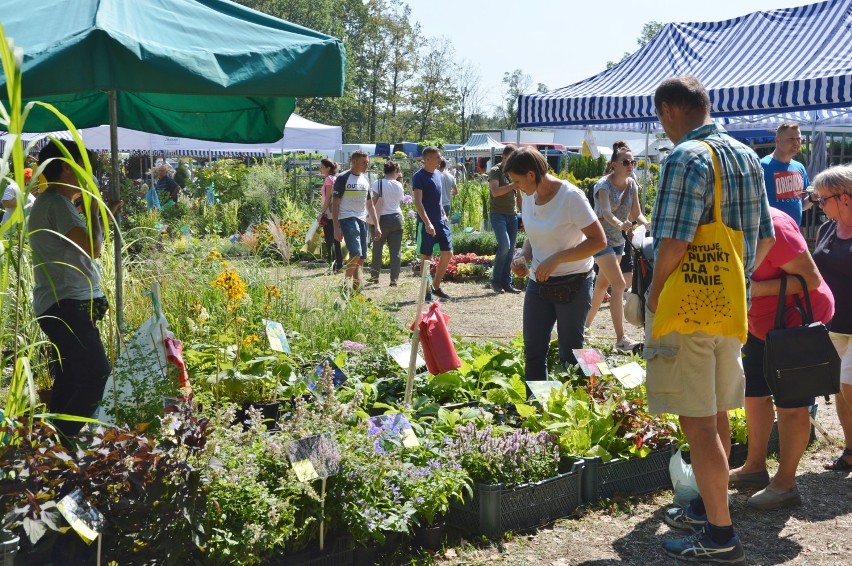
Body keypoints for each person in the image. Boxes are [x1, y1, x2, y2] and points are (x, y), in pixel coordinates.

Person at [647, 75, 774, 564]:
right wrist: (736, 285)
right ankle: (706, 508)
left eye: (661, 115)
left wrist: (656, 299)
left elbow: (674, 244)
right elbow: (764, 238)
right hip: (729, 310)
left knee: (698, 424)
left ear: (671, 110)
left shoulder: (686, 157)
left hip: (688, 309)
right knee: (716, 414)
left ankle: (721, 537)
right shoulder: (744, 154)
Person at [728, 208, 833, 509]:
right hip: (760, 323)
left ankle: (786, 484)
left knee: (792, 405)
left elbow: (811, 280)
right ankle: (754, 468)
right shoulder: (723, 220)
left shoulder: (773, 225)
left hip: (797, 323)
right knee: (754, 394)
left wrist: (754, 290)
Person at [29, 140, 121, 439]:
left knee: (70, 376)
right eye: (88, 169)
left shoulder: (57, 203)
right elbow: (93, 248)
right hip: (66, 304)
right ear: (69, 168)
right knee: (96, 375)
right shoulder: (56, 202)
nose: (91, 176)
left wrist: (97, 214)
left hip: (66, 303)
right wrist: (94, 208)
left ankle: (49, 447)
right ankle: (62, 441)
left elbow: (79, 245)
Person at [506, 147, 606, 379]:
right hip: (538, 284)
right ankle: (535, 407)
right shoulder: (529, 197)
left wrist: (557, 258)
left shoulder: (571, 197)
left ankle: (596, 389)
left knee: (572, 351)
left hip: (575, 282)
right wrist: (524, 257)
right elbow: (534, 235)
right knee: (533, 349)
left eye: (517, 180)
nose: (515, 186)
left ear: (531, 175)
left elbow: (599, 241)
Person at [584, 141, 650, 351]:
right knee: (620, 285)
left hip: (618, 241)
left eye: (633, 162)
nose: (631, 165)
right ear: (614, 165)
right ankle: (621, 339)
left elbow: (636, 212)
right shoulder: (603, 185)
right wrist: (620, 224)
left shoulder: (632, 184)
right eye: (626, 162)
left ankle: (583, 328)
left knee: (603, 286)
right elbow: (604, 212)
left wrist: (647, 223)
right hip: (599, 239)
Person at [811, 165, 852, 471]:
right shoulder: (826, 229)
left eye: (823, 199)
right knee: (840, 388)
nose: (819, 205)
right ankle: (850, 450)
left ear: (845, 197)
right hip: (833, 323)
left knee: (849, 384)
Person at [332, 151, 380, 290]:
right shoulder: (343, 178)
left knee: (362, 257)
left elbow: (370, 204)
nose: (367, 164)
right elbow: (335, 203)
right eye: (364, 162)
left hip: (362, 219)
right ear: (354, 161)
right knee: (356, 253)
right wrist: (336, 227)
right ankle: (346, 284)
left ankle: (356, 289)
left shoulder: (365, 179)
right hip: (347, 218)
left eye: (367, 162)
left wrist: (377, 225)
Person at [412, 146, 453, 302]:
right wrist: (428, 223)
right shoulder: (419, 177)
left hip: (440, 221)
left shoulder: (438, 174)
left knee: (448, 253)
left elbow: (437, 198)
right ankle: (426, 290)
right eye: (437, 157)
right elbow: (418, 203)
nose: (440, 160)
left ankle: (435, 286)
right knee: (427, 257)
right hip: (427, 223)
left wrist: (442, 212)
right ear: (427, 159)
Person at [760, 122, 814, 225]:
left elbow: (801, 204)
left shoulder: (799, 167)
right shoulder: (762, 165)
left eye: (798, 139)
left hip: (794, 230)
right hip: (771, 233)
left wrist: (813, 197)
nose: (796, 143)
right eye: (791, 139)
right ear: (777, 140)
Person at [489, 145, 523, 294]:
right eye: (511, 159)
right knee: (505, 246)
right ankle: (495, 281)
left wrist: (523, 214)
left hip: (512, 215)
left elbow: (519, 194)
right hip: (498, 214)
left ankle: (506, 282)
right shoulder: (495, 171)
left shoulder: (514, 171)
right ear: (504, 157)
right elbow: (495, 192)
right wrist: (513, 185)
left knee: (510, 250)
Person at [369, 160, 405, 286]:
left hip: (381, 218)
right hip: (397, 218)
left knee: (377, 249)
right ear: (395, 171)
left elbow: (373, 200)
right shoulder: (399, 185)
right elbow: (400, 200)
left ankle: (375, 276)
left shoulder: (378, 183)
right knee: (395, 251)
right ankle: (394, 279)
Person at [318, 158, 343, 272]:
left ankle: (333, 265)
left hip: (329, 212)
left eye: (322, 167)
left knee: (330, 240)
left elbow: (328, 197)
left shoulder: (328, 179)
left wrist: (321, 213)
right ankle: (339, 264)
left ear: (328, 168)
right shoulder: (337, 178)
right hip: (338, 211)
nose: (320, 169)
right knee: (336, 239)